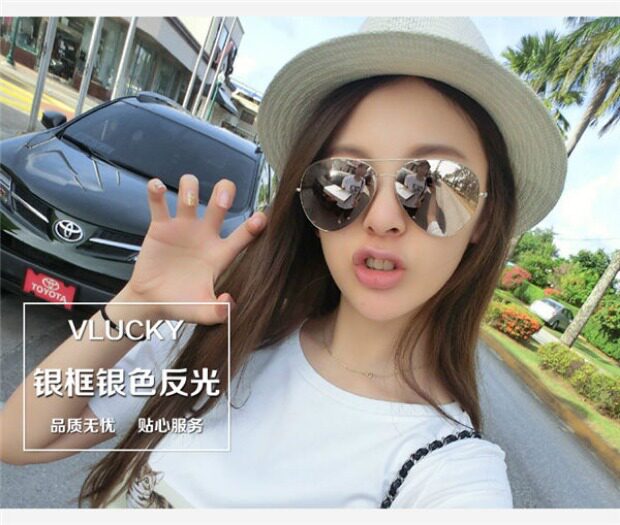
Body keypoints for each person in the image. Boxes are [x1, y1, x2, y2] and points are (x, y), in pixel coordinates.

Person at [0, 17, 567, 509]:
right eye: (345, 178)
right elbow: (24, 435)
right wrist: (139, 303)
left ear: (485, 219)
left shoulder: (445, 473)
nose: (383, 217)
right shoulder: (232, 334)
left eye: (436, 182)